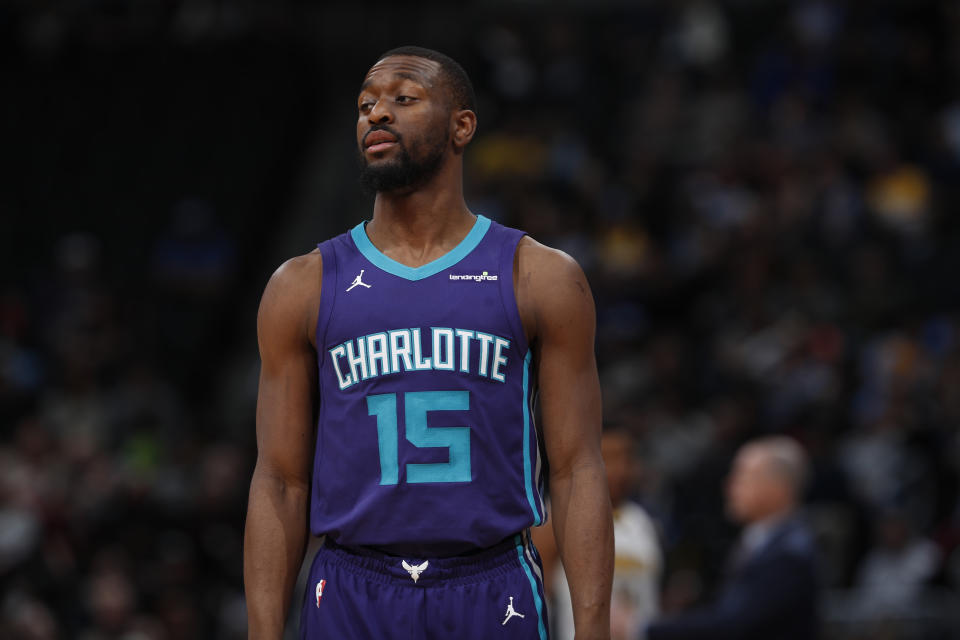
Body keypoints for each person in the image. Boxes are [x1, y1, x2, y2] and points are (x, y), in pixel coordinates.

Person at [243, 46, 614, 640]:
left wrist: (594, 631)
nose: (376, 114)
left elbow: (576, 470)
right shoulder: (303, 285)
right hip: (351, 585)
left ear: (461, 125)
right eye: (366, 105)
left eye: (403, 100)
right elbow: (280, 481)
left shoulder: (538, 275)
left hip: (492, 583)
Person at [645, 436, 819, 640]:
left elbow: (732, 626)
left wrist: (644, 628)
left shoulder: (788, 554)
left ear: (778, 486)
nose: (729, 485)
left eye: (742, 476)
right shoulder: (763, 540)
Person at [534, 428, 662, 640]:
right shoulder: (556, 518)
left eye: (627, 458)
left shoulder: (643, 521)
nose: (621, 468)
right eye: (610, 458)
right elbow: (539, 604)